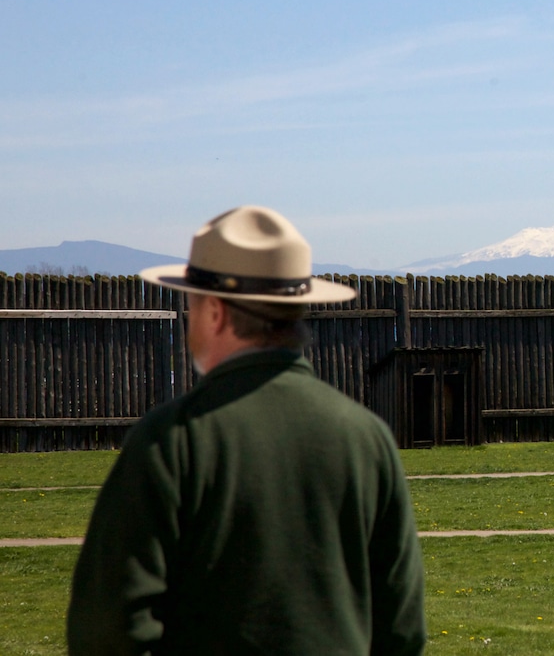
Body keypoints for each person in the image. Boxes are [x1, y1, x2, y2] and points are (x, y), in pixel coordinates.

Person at [67, 205, 426, 655]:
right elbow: (401, 629)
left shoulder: (171, 441)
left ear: (214, 312)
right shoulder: (367, 438)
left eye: (192, 302)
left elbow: (106, 630)